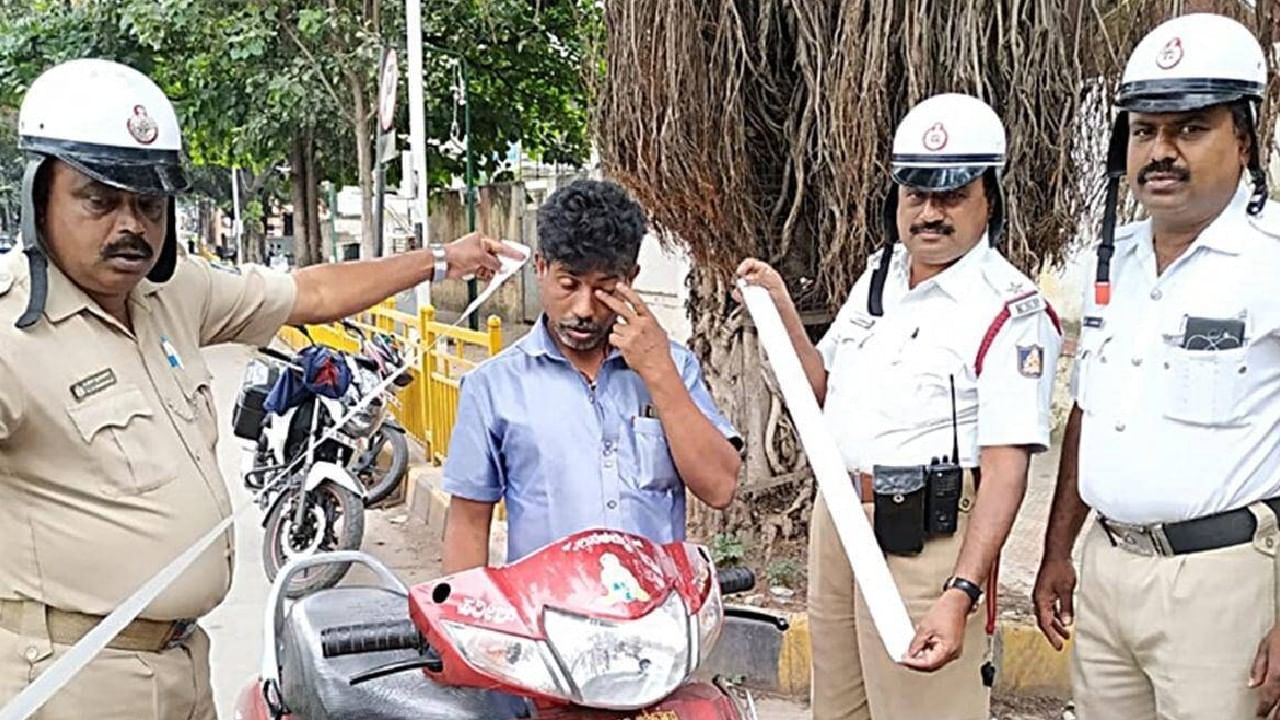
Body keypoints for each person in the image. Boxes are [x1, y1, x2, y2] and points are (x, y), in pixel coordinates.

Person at [0, 58, 519, 720]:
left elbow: (311, 291)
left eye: (149, 204)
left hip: (185, 669)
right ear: (39, 195)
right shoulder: (11, 330)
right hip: (70, 682)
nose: (129, 225)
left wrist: (441, 260)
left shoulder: (172, 293)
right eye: (99, 201)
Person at [738, 93, 1062, 720]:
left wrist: (960, 592)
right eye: (916, 195)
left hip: (927, 540)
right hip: (843, 521)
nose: (930, 213)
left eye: (951, 196)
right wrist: (779, 307)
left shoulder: (1010, 311)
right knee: (838, 708)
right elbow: (823, 389)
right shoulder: (878, 278)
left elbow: (1005, 471)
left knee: (923, 709)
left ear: (987, 199)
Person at [1032, 13, 1280, 719]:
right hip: (1109, 572)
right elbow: (1092, 411)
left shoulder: (1272, 262)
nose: (1161, 152)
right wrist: (1059, 552)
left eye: (1191, 128)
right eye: (1145, 130)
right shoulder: (1116, 261)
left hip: (1220, 585)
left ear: (1245, 137)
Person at [440, 178, 743, 573]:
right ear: (542, 268)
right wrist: (466, 626)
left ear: (630, 278)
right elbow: (468, 522)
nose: (584, 308)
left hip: (659, 616)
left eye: (603, 289)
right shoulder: (493, 387)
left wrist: (659, 374)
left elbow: (719, 488)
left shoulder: (673, 367)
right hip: (544, 619)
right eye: (569, 284)